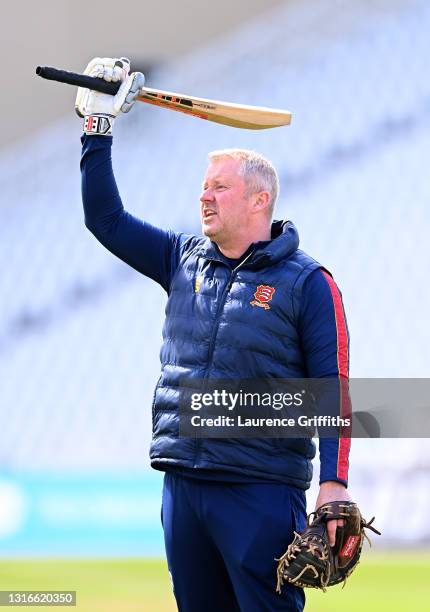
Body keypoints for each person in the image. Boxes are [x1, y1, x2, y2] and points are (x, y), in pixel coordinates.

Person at [77, 57, 352, 612]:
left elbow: (334, 386)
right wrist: (96, 130)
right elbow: (104, 219)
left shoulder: (308, 283)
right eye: (204, 187)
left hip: (261, 489)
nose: (204, 197)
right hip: (183, 484)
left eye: (219, 188)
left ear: (259, 200)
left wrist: (334, 483)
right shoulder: (182, 258)